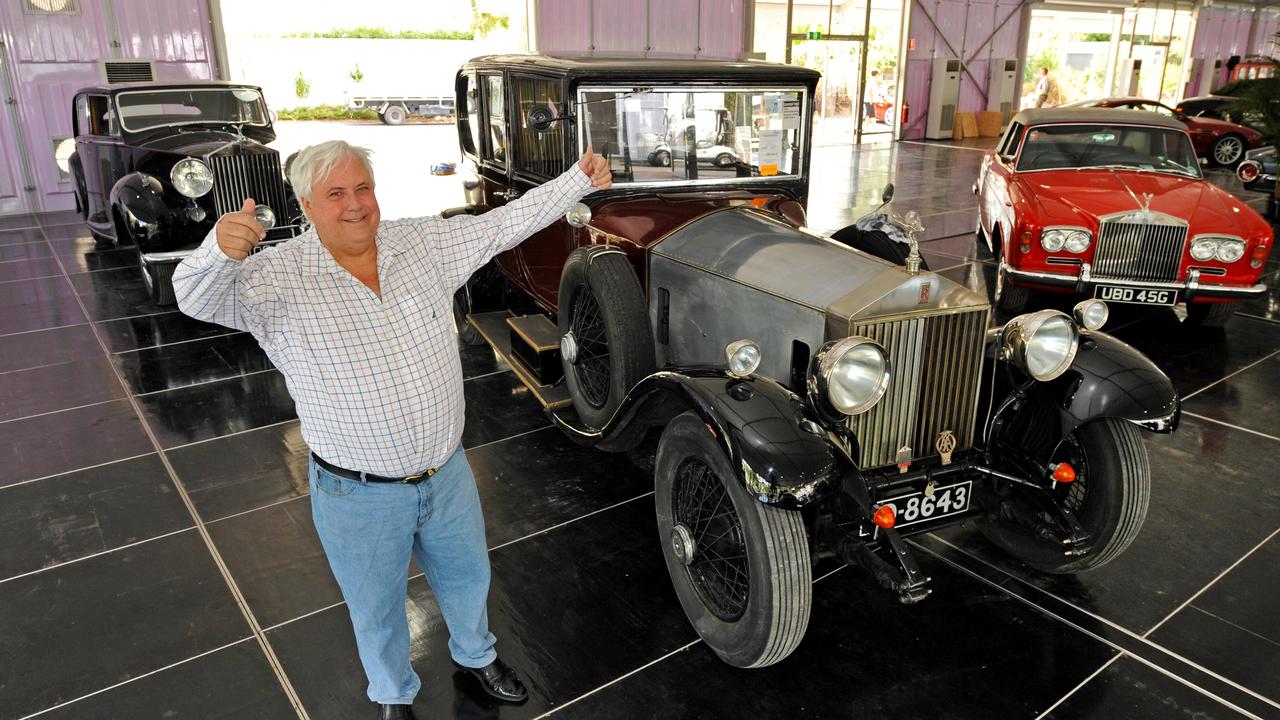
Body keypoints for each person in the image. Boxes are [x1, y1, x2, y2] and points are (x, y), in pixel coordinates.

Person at [173, 140, 611, 720]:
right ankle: (392, 695)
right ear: (306, 204)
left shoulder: (422, 242)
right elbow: (194, 297)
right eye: (335, 194)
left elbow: (504, 224)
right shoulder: (270, 278)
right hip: (358, 492)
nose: (355, 205)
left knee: (467, 577)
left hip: (446, 469)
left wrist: (577, 180)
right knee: (376, 607)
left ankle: (477, 656)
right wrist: (217, 253)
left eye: (363, 188)